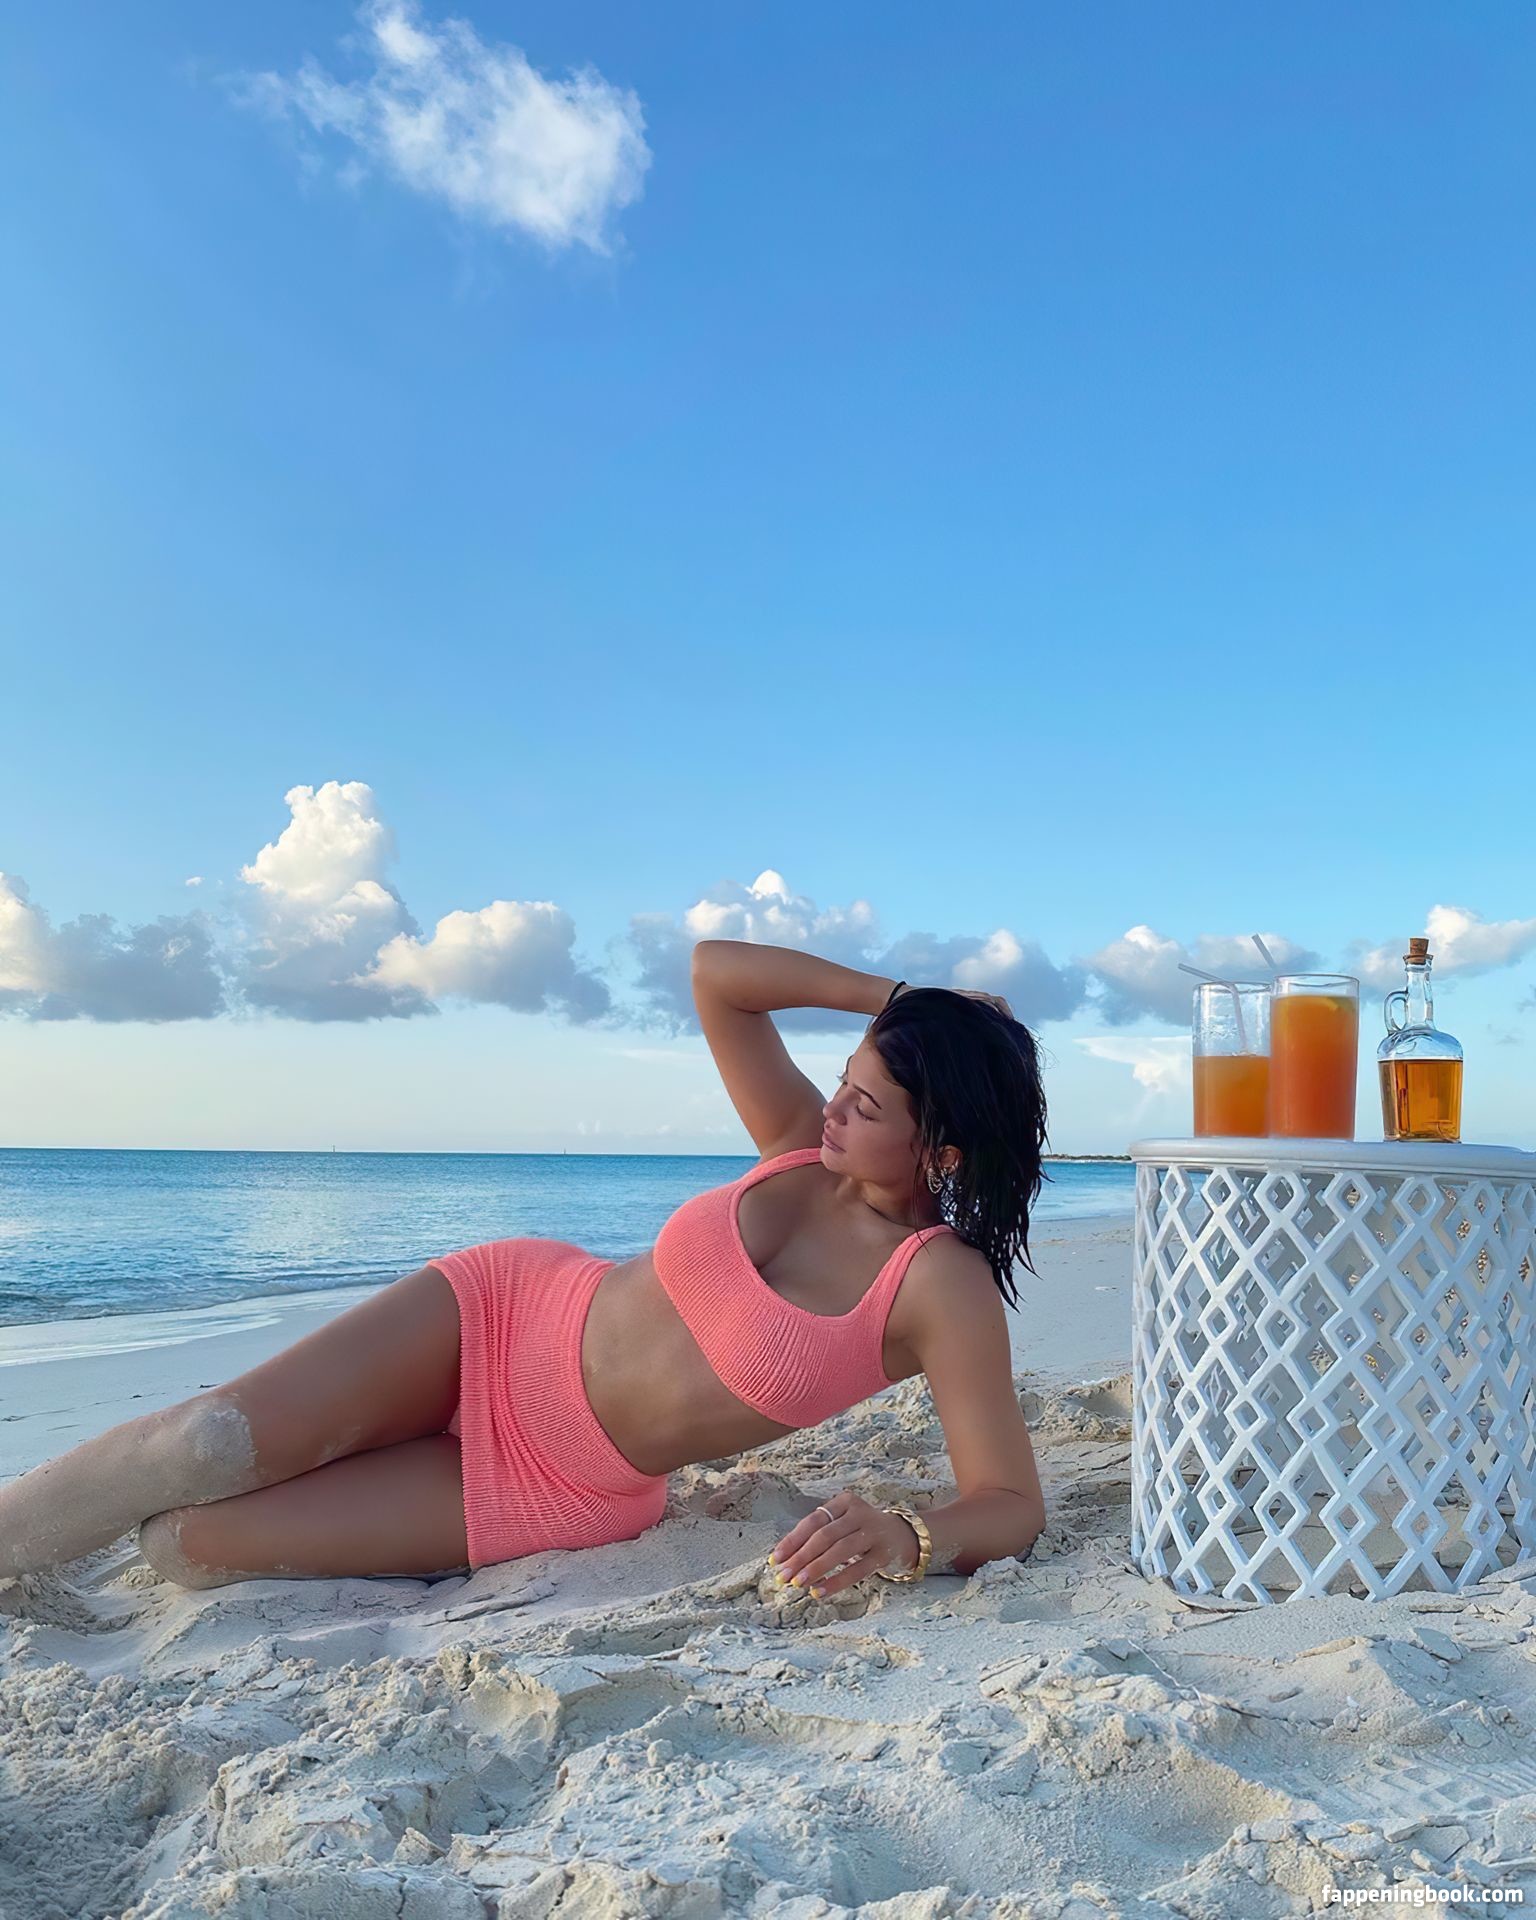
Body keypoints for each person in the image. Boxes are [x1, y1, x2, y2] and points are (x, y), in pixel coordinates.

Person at [0, 941, 1049, 1596]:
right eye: (844, 1078)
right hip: (502, 1314)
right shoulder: (794, 1145)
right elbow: (716, 975)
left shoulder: (936, 1284)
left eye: (867, 1105)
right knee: (203, 1440)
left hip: (558, 1481)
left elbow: (1009, 1500)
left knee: (185, 1544)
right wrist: (906, 1000)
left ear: (944, 1152)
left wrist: (907, 1535)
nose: (835, 1108)